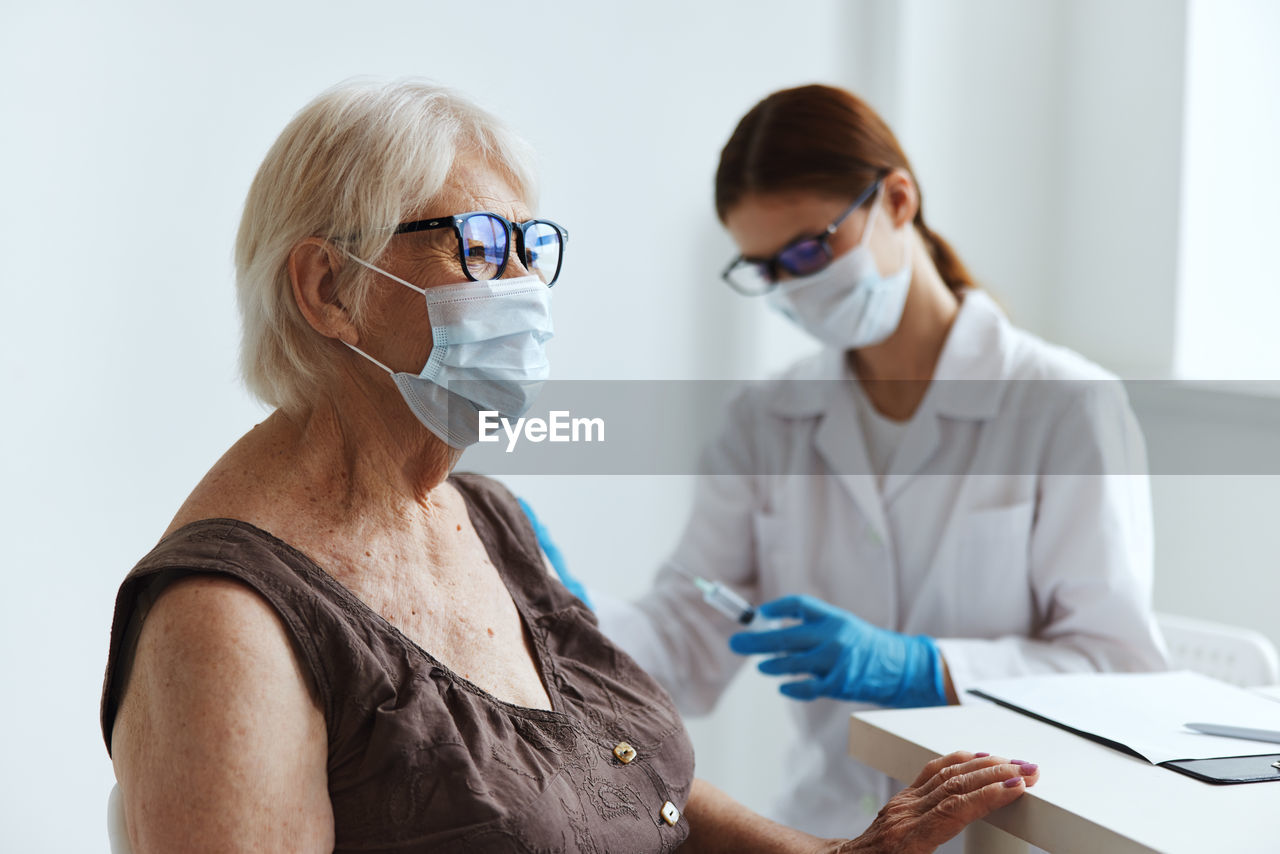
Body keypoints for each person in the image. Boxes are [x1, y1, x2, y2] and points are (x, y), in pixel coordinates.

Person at [99, 79, 1040, 854]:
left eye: (528, 246)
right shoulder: (228, 620)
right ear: (329, 288)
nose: (523, 292)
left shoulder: (480, 515)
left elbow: (617, 781)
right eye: (477, 246)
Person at [593, 83, 1164, 841]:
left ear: (898, 200)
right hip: (825, 828)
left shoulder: (1063, 405)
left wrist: (927, 667)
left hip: (1005, 834)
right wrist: (561, 621)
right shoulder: (767, 420)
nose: (793, 286)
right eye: (767, 269)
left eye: (808, 249)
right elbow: (691, 633)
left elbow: (1121, 670)